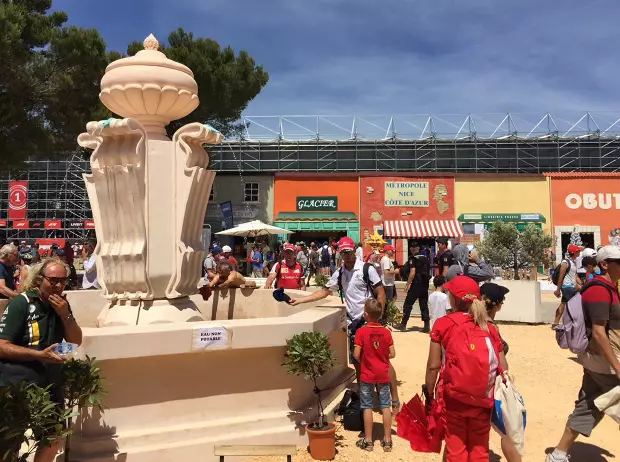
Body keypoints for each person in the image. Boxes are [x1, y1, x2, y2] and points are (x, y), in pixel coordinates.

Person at [289, 236, 401, 412]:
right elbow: (326, 291)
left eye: (349, 252)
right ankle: (368, 398)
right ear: (340, 253)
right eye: (344, 253)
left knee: (382, 361)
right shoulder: (340, 272)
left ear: (354, 252)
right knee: (357, 360)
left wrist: (376, 318)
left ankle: (394, 399)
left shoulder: (366, 269)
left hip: (369, 321)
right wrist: (302, 300)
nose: (347, 256)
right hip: (352, 323)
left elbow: (381, 293)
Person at [0, 258, 83, 462]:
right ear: (39, 280)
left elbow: (75, 342)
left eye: (63, 281)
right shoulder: (22, 303)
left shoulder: (62, 306)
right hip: (17, 384)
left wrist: (66, 316)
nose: (58, 285)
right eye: (53, 280)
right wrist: (39, 355)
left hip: (49, 384)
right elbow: (2, 345)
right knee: (11, 441)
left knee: (52, 437)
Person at [546, 245, 620, 462]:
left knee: (588, 405)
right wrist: (617, 366)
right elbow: (598, 332)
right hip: (606, 361)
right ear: (605, 264)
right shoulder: (599, 290)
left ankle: (558, 454)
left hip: (598, 361)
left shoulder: (608, 287)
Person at [425, 276, 507, 462]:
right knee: (480, 450)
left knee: (455, 449)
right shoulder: (488, 326)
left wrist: (429, 393)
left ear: (453, 299)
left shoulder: (443, 324)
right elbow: (504, 366)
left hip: (454, 399)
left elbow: (433, 366)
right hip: (483, 399)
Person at [480, 282, 521, 462]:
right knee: (509, 431)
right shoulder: (490, 326)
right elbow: (502, 363)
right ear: (497, 304)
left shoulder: (468, 321)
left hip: (470, 384)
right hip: (490, 386)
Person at [353, 299, 395, 453]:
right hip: (383, 373)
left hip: (367, 373)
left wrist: (366, 358)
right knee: (385, 405)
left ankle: (369, 441)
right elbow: (392, 353)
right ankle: (387, 440)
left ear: (365, 314)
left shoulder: (361, 332)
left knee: (367, 406)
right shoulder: (386, 332)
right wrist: (381, 357)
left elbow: (356, 354)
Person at [399, 241, 431, 332]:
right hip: (425, 284)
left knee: (408, 304)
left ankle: (403, 324)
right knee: (424, 305)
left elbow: (412, 272)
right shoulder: (425, 258)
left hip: (416, 284)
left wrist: (407, 284)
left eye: (412, 248)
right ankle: (426, 325)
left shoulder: (413, 258)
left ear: (413, 249)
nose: (412, 249)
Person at [553, 244, 582, 326]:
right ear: (575, 252)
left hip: (570, 287)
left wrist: (582, 285)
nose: (579, 252)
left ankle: (555, 323)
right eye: (578, 251)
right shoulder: (565, 262)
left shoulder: (573, 262)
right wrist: (558, 290)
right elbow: (561, 277)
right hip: (568, 287)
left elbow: (575, 276)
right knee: (576, 304)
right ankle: (572, 323)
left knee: (563, 304)